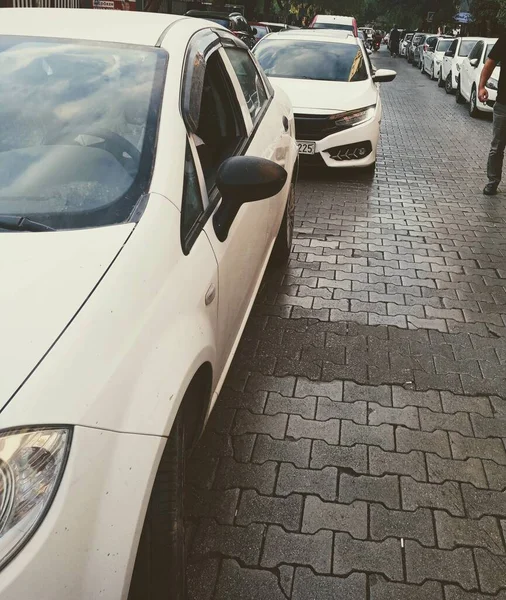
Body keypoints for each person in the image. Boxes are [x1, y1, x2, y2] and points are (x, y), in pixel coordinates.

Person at [478, 36, 506, 195]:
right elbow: (490, 63)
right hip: (504, 104)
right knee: (497, 147)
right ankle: (493, 181)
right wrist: (482, 86)